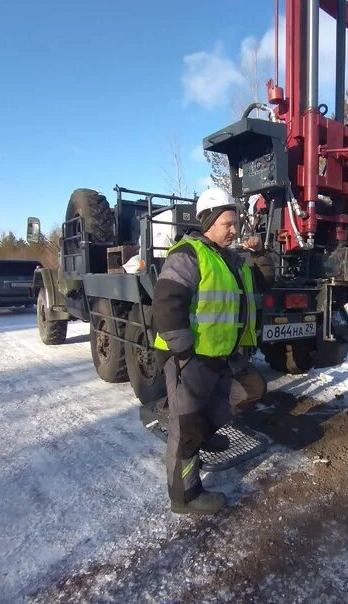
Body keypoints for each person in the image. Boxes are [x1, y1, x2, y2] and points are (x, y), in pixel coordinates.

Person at [152, 187, 267, 515]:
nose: (234, 230)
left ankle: (202, 434)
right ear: (209, 222)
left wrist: (258, 255)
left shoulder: (233, 259)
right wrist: (184, 350)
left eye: (235, 224)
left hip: (221, 356)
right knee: (185, 428)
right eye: (227, 224)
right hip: (189, 358)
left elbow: (263, 284)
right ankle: (184, 496)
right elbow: (166, 302)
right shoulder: (188, 254)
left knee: (250, 390)